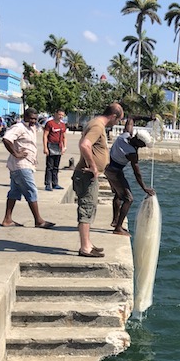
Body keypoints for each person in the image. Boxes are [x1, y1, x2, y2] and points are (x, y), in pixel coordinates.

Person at [72, 102, 124, 258]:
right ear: (113, 116)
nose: (118, 123)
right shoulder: (97, 126)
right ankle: (84, 248)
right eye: (118, 120)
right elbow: (85, 145)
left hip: (86, 175)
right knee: (86, 209)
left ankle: (87, 243)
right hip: (86, 174)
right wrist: (93, 166)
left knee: (89, 208)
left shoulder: (94, 123)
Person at [1, 107, 55, 228]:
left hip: (26, 164)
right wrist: (16, 153)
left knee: (14, 192)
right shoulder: (18, 127)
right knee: (31, 190)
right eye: (31, 118)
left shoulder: (32, 128)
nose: (33, 121)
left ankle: (7, 219)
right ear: (25, 117)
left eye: (35, 119)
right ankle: (38, 220)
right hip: (21, 165)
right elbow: (6, 139)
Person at [104, 118, 155, 236]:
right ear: (138, 141)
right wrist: (144, 188)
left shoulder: (125, 134)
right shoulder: (132, 153)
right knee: (128, 199)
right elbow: (137, 173)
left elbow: (130, 120)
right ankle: (118, 227)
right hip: (115, 172)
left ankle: (115, 220)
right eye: (142, 145)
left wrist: (148, 118)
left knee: (118, 194)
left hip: (107, 168)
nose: (143, 147)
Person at [42, 109, 67, 190]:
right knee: (50, 166)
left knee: (56, 166)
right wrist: (45, 147)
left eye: (62, 115)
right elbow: (45, 135)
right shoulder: (50, 123)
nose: (61, 117)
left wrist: (64, 147)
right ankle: (47, 183)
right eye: (59, 115)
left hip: (59, 146)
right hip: (51, 145)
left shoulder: (63, 125)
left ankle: (55, 183)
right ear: (55, 114)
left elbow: (64, 136)